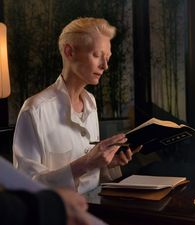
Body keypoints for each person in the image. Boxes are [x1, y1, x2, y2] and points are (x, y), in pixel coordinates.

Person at [13, 17, 141, 194]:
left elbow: (90, 180)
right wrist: (87, 162)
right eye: (97, 55)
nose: (105, 66)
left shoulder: (91, 103)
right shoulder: (35, 110)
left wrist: (106, 163)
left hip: (95, 208)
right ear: (69, 52)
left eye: (107, 58)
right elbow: (26, 187)